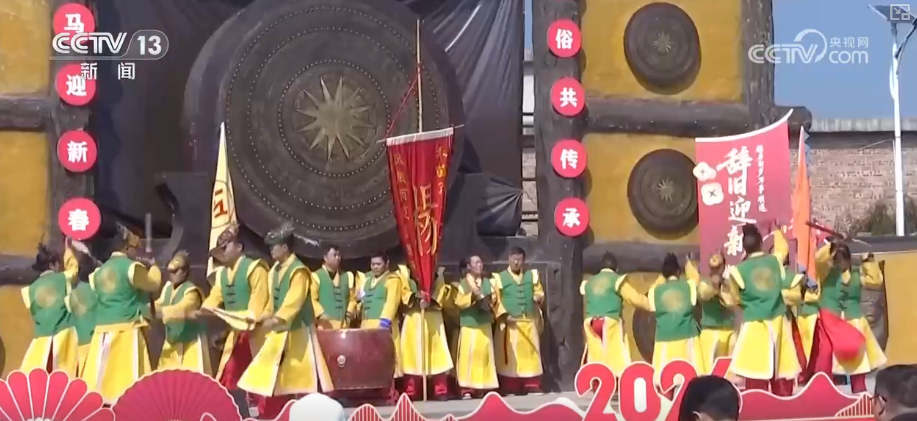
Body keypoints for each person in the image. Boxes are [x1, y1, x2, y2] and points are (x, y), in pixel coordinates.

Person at [238, 222, 332, 419]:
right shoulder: (274, 271)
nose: (271, 250)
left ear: (285, 247)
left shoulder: (299, 271)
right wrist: (258, 319)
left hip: (300, 334)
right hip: (281, 332)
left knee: (302, 379)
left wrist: (273, 321)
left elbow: (292, 304)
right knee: (278, 379)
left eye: (274, 246)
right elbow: (271, 304)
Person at [80, 224, 162, 404]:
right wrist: (154, 266)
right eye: (134, 248)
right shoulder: (132, 268)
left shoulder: (98, 273)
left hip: (102, 332)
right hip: (127, 330)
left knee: (101, 379)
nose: (136, 252)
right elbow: (153, 284)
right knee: (129, 381)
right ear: (126, 248)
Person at [194, 223, 270, 418]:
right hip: (236, 335)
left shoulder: (255, 268)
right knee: (230, 375)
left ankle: (264, 415)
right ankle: (232, 414)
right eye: (219, 249)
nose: (222, 252)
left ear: (239, 247)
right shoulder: (223, 274)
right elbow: (214, 298)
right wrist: (201, 311)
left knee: (259, 379)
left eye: (225, 247)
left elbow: (256, 308)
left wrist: (245, 321)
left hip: (256, 335)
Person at [720, 224, 800, 396]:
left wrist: (749, 303)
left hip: (754, 326)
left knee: (756, 378)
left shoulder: (738, 271)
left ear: (744, 248)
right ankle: (784, 407)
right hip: (778, 323)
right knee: (781, 374)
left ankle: (757, 408)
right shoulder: (775, 261)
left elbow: (734, 299)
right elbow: (783, 247)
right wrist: (777, 230)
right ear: (761, 244)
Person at [806, 241, 886, 393]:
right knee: (826, 354)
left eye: (842, 260)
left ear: (849, 260)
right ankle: (823, 390)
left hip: (852, 319)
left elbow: (875, 281)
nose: (839, 264)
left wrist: (868, 261)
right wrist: (832, 246)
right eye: (836, 260)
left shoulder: (857, 273)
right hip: (829, 320)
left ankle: (859, 390)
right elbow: (819, 258)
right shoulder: (826, 272)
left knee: (859, 358)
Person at [646, 253, 715, 390]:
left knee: (664, 381)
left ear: (663, 274)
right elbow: (696, 278)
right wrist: (688, 264)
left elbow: (652, 306)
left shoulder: (654, 291)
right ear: (678, 271)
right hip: (688, 338)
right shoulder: (689, 286)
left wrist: (661, 278)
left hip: (664, 340)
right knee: (693, 378)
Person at [580, 252, 649, 379]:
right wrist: (651, 305)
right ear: (616, 268)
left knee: (596, 353)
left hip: (590, 322)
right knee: (616, 353)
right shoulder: (616, 280)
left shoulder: (590, 282)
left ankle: (596, 379)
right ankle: (618, 379)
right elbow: (634, 298)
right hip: (609, 321)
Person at [20, 240, 81, 376]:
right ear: (52, 264)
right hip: (65, 338)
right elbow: (73, 268)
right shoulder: (63, 278)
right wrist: (68, 249)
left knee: (39, 379)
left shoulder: (29, 290)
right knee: (66, 378)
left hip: (41, 342)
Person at [492, 247, 544, 395]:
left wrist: (538, 297)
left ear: (523, 260)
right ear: (508, 259)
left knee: (531, 354)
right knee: (511, 356)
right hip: (511, 323)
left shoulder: (531, 276)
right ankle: (511, 386)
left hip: (528, 321)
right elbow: (495, 299)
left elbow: (539, 291)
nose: (516, 262)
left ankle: (531, 384)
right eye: (514, 259)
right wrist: (504, 315)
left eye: (519, 259)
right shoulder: (499, 278)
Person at [400, 266, 454, 401]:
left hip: (433, 317)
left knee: (437, 354)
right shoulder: (404, 272)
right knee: (412, 355)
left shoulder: (438, 273)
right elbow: (403, 293)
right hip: (414, 317)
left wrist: (429, 302)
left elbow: (441, 293)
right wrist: (416, 299)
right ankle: (412, 390)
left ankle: (440, 390)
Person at [152, 250, 211, 375]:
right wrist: (146, 307)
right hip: (172, 341)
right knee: (166, 379)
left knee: (192, 380)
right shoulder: (168, 288)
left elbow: (182, 308)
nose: (172, 275)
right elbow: (160, 303)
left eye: (175, 272)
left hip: (190, 343)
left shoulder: (191, 291)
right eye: (170, 272)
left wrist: (158, 312)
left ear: (184, 272)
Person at [356, 252, 404, 397]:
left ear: (386, 264)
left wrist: (384, 323)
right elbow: (360, 299)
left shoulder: (393, 279)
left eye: (378, 264)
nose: (375, 267)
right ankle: (370, 390)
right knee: (367, 358)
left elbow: (392, 302)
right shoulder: (366, 279)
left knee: (386, 357)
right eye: (373, 264)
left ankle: (388, 391)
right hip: (366, 324)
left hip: (383, 325)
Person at [452, 255, 499, 398]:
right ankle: (467, 388)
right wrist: (473, 297)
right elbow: (459, 302)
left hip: (484, 324)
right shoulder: (462, 284)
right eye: (476, 263)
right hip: (469, 325)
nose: (480, 265)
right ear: (468, 266)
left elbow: (495, 299)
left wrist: (489, 301)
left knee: (484, 355)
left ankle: (484, 387)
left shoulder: (488, 282)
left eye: (480, 262)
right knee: (469, 356)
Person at [685, 254, 735, 373]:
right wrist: (714, 288)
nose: (715, 258)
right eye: (713, 257)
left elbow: (732, 302)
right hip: (709, 332)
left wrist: (720, 289)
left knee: (727, 371)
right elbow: (703, 295)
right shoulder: (703, 282)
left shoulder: (729, 284)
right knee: (708, 371)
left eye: (718, 257)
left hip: (728, 332)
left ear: (723, 267)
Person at [310, 245, 357, 330]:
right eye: (334, 255)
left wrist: (349, 314)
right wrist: (321, 313)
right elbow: (312, 299)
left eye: (339, 255)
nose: (338, 258)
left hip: (343, 326)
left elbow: (352, 299)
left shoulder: (347, 276)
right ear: (325, 257)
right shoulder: (316, 276)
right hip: (324, 326)